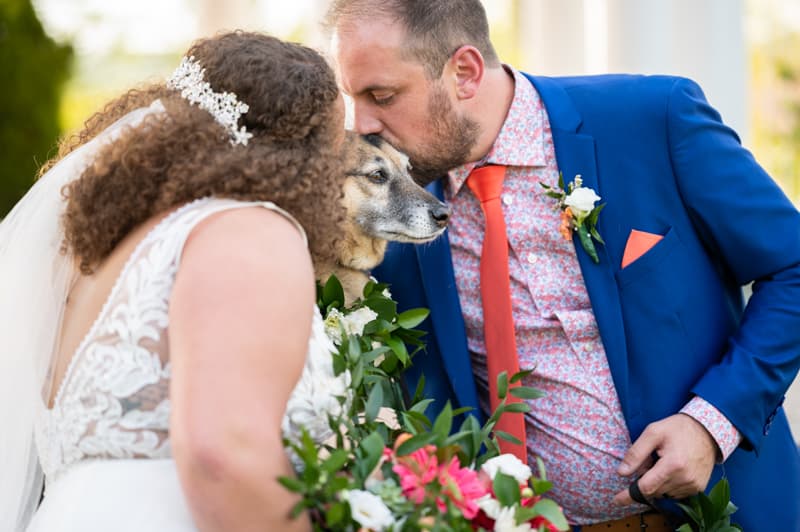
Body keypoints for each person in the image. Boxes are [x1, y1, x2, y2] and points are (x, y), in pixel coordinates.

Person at [325, 1, 800, 530]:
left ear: (464, 72)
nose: (361, 123)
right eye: (353, 97)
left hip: (730, 514)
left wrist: (712, 422)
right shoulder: (392, 209)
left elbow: (794, 268)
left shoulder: (653, 117)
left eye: (382, 96)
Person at [0, 30, 347, 531]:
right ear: (297, 159)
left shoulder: (88, 258)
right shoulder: (246, 229)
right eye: (330, 154)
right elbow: (221, 454)